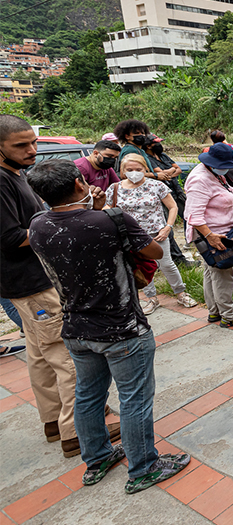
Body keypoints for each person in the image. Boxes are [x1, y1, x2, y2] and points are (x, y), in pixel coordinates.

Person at [26, 159, 191, 493]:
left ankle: (97, 459)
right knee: (134, 399)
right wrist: (107, 213)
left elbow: (74, 237)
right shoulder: (112, 220)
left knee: (87, 395)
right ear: (79, 184)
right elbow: (155, 251)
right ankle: (143, 467)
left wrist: (99, 209)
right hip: (122, 327)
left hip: (76, 328)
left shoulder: (37, 225)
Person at [0, 114, 79, 454]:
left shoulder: (15, 175)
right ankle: (77, 429)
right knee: (67, 354)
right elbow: (10, 236)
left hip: (28, 283)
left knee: (40, 355)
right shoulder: (1, 182)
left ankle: (52, 421)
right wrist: (60, 228)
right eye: (21, 145)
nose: (32, 150)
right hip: (31, 284)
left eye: (33, 142)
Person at [105, 154, 197, 314]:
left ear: (145, 169)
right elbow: (106, 209)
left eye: (138, 169)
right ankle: (151, 298)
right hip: (129, 237)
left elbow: (173, 207)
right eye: (130, 170)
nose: (134, 172)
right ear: (122, 170)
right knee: (140, 267)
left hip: (156, 233)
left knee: (167, 264)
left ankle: (181, 293)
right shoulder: (115, 188)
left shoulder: (156, 186)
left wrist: (168, 227)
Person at [183, 143, 233, 329]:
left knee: (211, 272)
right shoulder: (200, 179)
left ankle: (215, 310)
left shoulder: (214, 174)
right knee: (223, 274)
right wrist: (210, 236)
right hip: (214, 234)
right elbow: (193, 215)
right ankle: (229, 315)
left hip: (220, 230)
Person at [144, 139, 190, 267]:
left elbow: (178, 169)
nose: (159, 145)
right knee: (168, 224)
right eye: (155, 143)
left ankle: (191, 240)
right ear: (148, 145)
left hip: (177, 191)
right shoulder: (147, 158)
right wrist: (168, 171)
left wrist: (167, 172)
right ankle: (175, 258)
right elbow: (162, 173)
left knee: (189, 215)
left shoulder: (162, 155)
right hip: (164, 195)